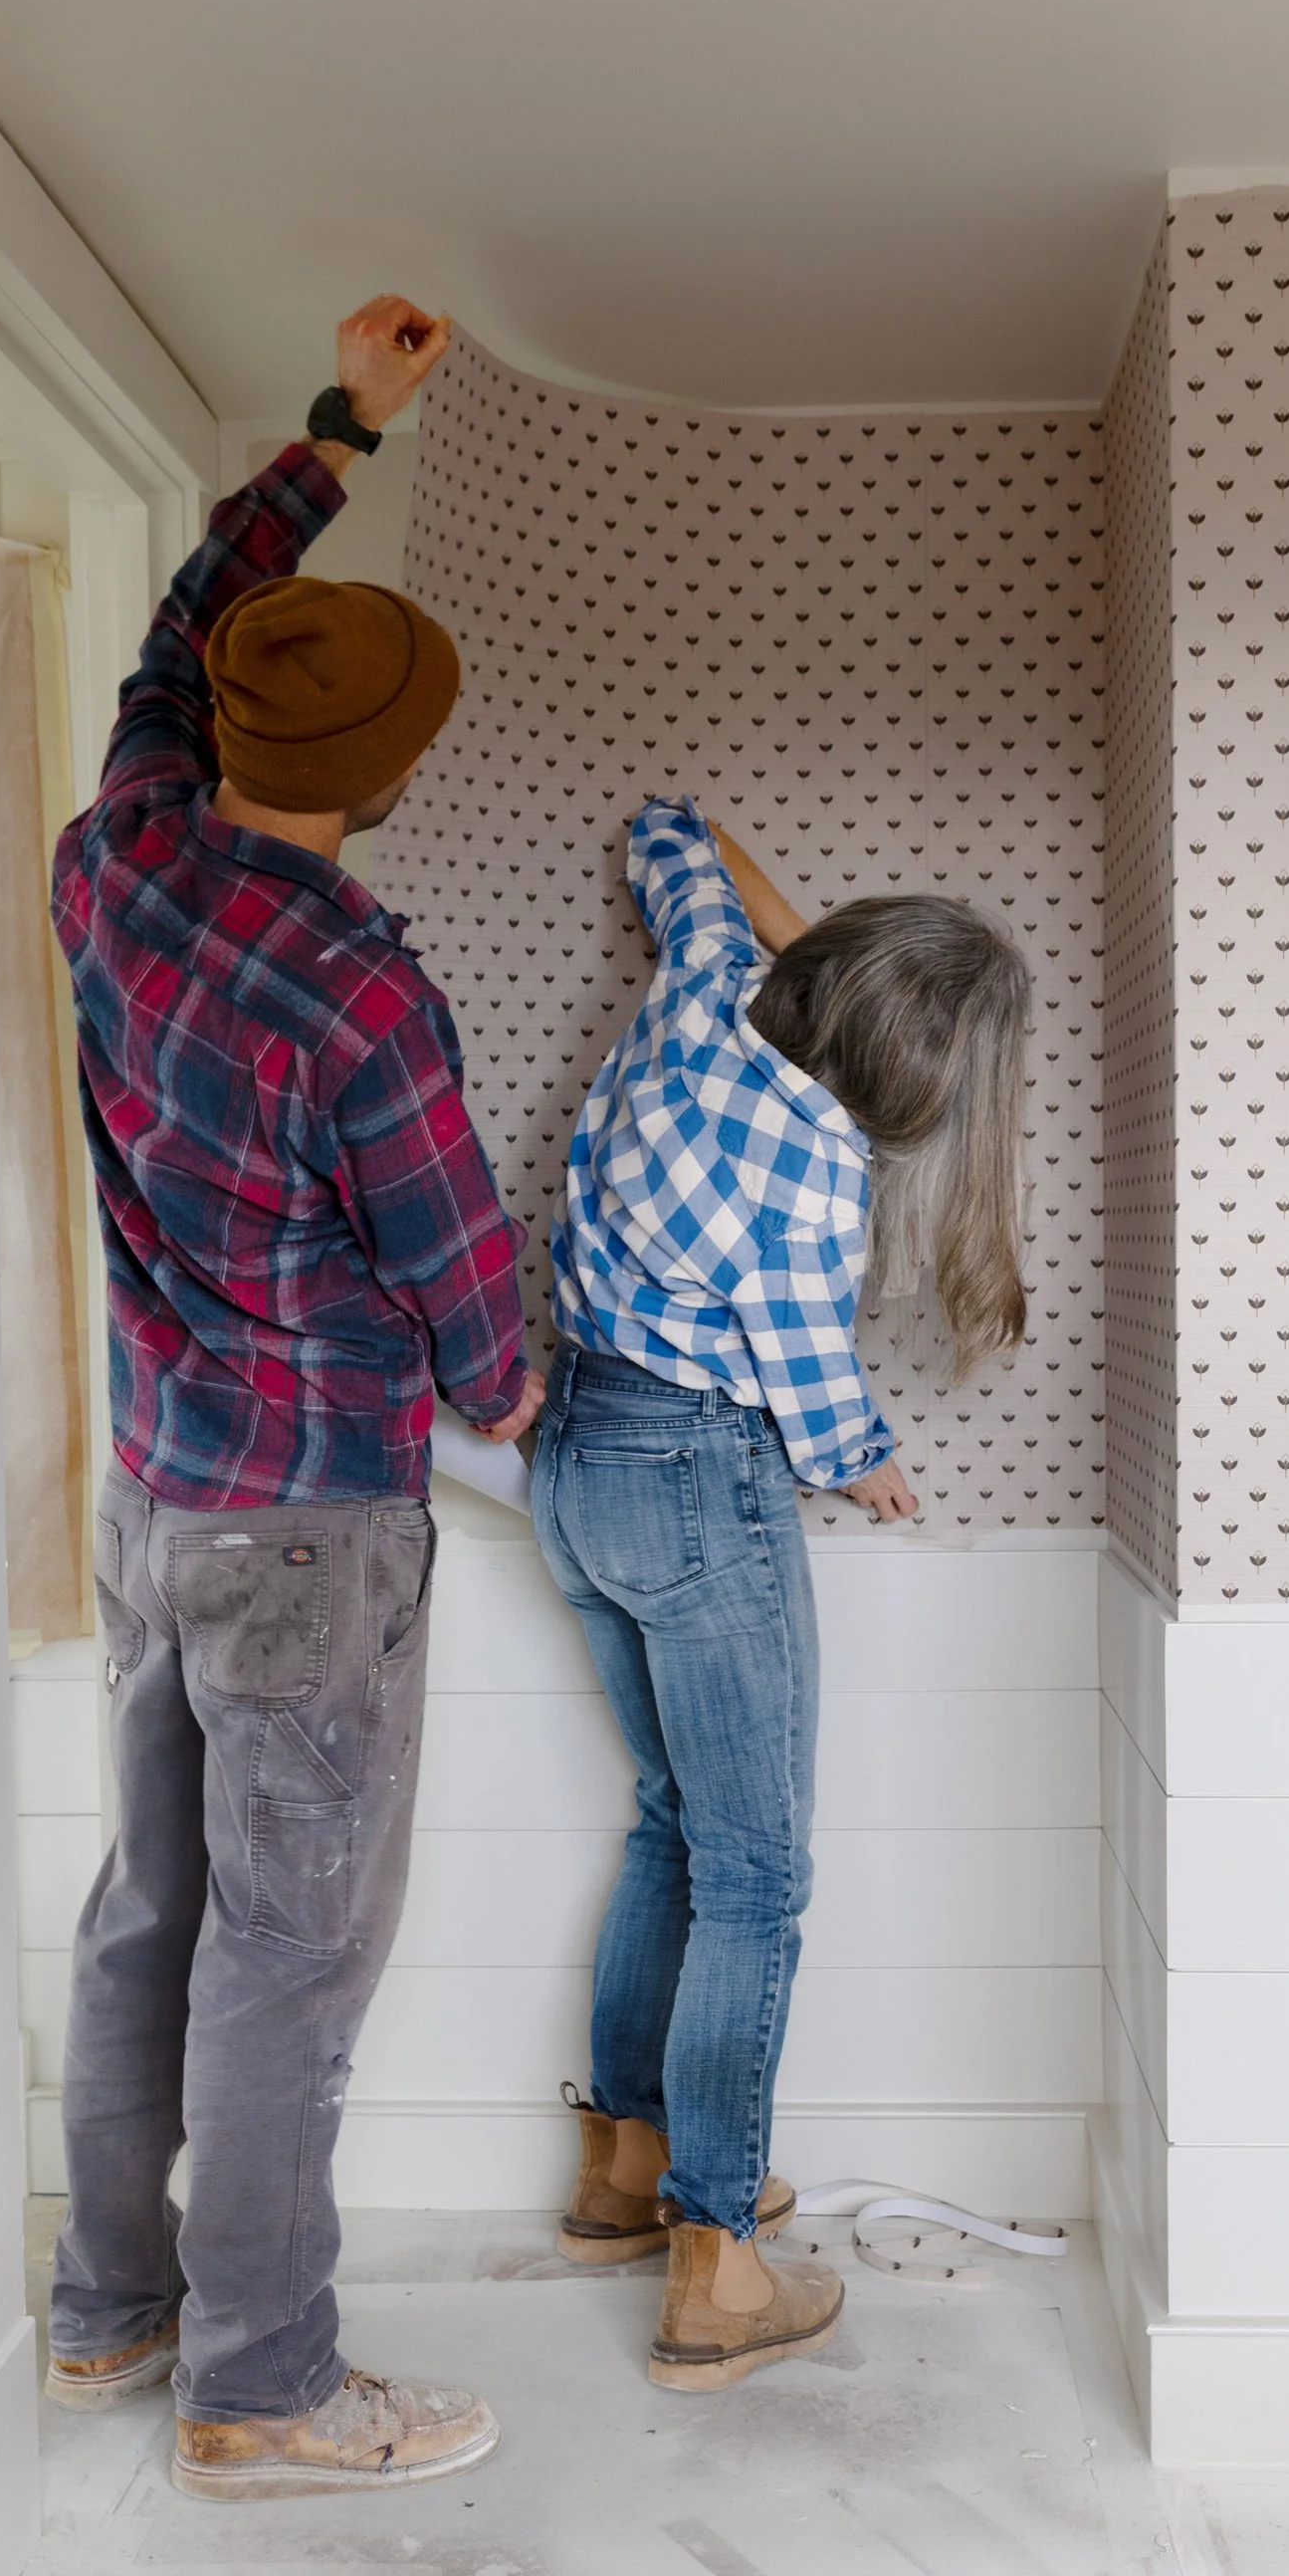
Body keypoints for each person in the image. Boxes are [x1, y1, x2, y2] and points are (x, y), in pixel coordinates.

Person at [43, 297, 544, 2497]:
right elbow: (473, 1327)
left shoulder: (116, 846)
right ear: (396, 782)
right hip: (298, 1538)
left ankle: (104, 2314)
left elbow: (183, 627)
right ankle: (255, 2388)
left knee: (150, 1906)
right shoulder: (355, 996)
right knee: (285, 1956)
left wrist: (343, 430)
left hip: (155, 1496)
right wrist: (524, 1389)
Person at [533, 796, 1030, 2389]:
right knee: (758, 1872)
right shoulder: (819, 1165)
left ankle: (625, 2165)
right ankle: (719, 2260)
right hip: (697, 1477)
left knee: (671, 1819)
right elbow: (810, 1384)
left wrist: (761, 895)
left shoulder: (699, 992)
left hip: (574, 1454)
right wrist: (869, 1461)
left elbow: (676, 847)